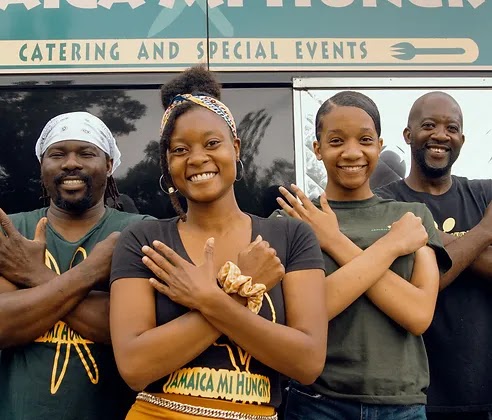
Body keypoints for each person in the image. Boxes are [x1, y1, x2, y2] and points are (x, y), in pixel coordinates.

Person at [108, 65, 329, 420]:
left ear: (235, 148)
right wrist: (239, 291)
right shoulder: (145, 240)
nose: (197, 158)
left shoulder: (290, 237)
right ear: (167, 162)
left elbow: (307, 363)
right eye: (180, 149)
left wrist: (210, 300)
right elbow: (135, 367)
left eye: (212, 143)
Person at [275, 91, 451, 419]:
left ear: (380, 146)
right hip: (317, 400)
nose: (352, 152)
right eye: (337, 140)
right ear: (318, 148)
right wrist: (389, 246)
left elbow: (417, 315)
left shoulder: (413, 217)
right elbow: (306, 314)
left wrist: (331, 240)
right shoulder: (292, 220)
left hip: (400, 404)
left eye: (365, 139)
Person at [0, 111, 152, 420]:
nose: (71, 163)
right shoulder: (11, 232)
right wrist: (91, 272)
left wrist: (33, 278)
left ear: (109, 165)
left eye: (86, 153)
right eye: (57, 154)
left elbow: (133, 334)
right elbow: (3, 326)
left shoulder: (139, 232)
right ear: (43, 165)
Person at [376, 91, 492, 420]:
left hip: (482, 395)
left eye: (451, 128)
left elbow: (430, 270)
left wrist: (433, 244)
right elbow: (422, 283)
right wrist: (483, 233)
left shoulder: (485, 193)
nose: (441, 135)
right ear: (408, 135)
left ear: (462, 139)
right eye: (429, 125)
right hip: (409, 396)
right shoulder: (385, 204)